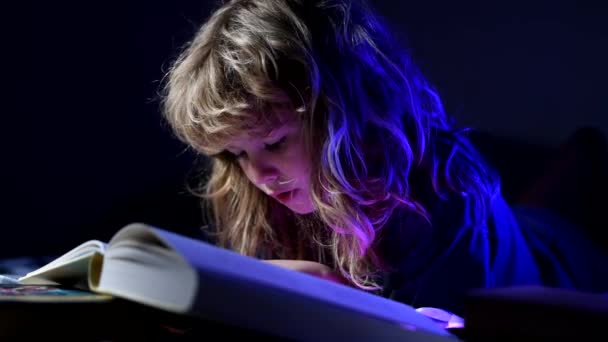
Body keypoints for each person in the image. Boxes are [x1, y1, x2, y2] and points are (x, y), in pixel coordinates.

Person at [159, 0, 608, 316]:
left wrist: (331, 297)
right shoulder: (263, 193)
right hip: (516, 228)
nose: (258, 174)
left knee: (567, 188)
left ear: (347, 116)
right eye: (236, 153)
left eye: (275, 142)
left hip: (556, 261)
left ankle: (587, 148)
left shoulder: (450, 193)